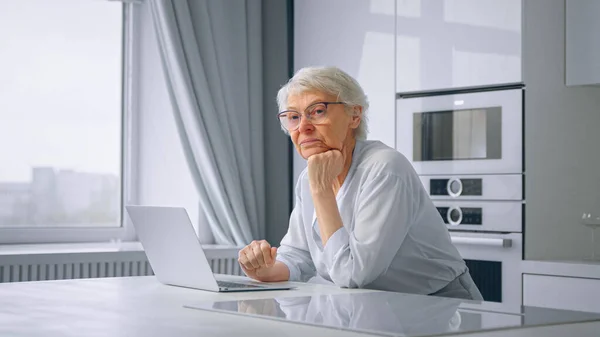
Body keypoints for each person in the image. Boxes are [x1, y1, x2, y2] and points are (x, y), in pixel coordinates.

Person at [237, 66, 482, 300]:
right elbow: (298, 254)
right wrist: (265, 271)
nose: (303, 127)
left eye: (318, 111)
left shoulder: (385, 169)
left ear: (354, 115)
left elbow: (353, 274)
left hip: (439, 305)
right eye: (293, 117)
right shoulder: (309, 177)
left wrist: (322, 191)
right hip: (378, 305)